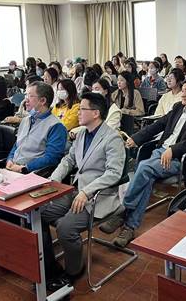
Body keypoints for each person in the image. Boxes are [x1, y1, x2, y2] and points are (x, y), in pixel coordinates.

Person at [101, 78, 186, 248]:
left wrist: (174, 150)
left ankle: (124, 210)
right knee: (146, 177)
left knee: (144, 167)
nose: (183, 95)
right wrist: (136, 138)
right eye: (182, 91)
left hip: (180, 159)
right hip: (160, 152)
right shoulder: (177, 107)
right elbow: (158, 125)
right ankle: (129, 228)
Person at [39, 92, 125, 291]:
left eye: (82, 109)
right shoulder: (82, 134)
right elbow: (68, 160)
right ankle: (49, 266)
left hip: (98, 197)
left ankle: (73, 271)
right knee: (39, 214)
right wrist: (53, 180)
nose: (78, 112)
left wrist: (87, 192)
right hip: (76, 192)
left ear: (96, 113)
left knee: (65, 228)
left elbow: (114, 173)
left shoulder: (112, 138)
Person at [5, 82, 67, 174]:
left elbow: (52, 158)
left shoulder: (56, 126)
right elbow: (17, 145)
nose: (25, 100)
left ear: (42, 100)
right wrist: (10, 159)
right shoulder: (25, 120)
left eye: (30, 96)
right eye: (26, 95)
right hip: (13, 169)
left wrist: (25, 168)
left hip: (31, 173)